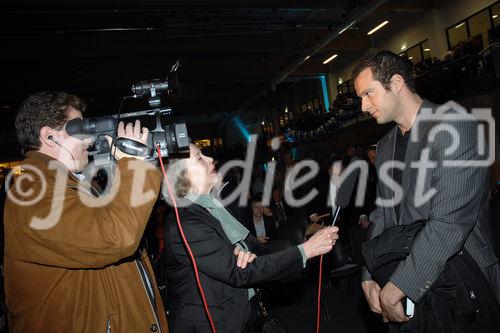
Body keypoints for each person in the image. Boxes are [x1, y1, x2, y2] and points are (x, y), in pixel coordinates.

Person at [353, 51, 500, 330]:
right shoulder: (384, 146)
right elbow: (383, 214)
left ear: (396, 83)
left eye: (368, 94)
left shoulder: (454, 126)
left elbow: (450, 223)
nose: (363, 106)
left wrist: (399, 285)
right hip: (412, 287)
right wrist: (368, 274)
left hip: (462, 281)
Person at [3, 91, 168, 332]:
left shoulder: (81, 187)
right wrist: (133, 165)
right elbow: (116, 237)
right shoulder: (32, 195)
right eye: (81, 129)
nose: (89, 141)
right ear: (49, 137)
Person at [162, 143, 339, 332]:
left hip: (246, 313)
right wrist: (305, 251)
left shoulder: (213, 207)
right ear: (183, 178)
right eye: (199, 158)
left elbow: (257, 251)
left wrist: (303, 247)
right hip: (215, 324)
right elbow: (238, 272)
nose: (210, 159)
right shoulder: (186, 223)